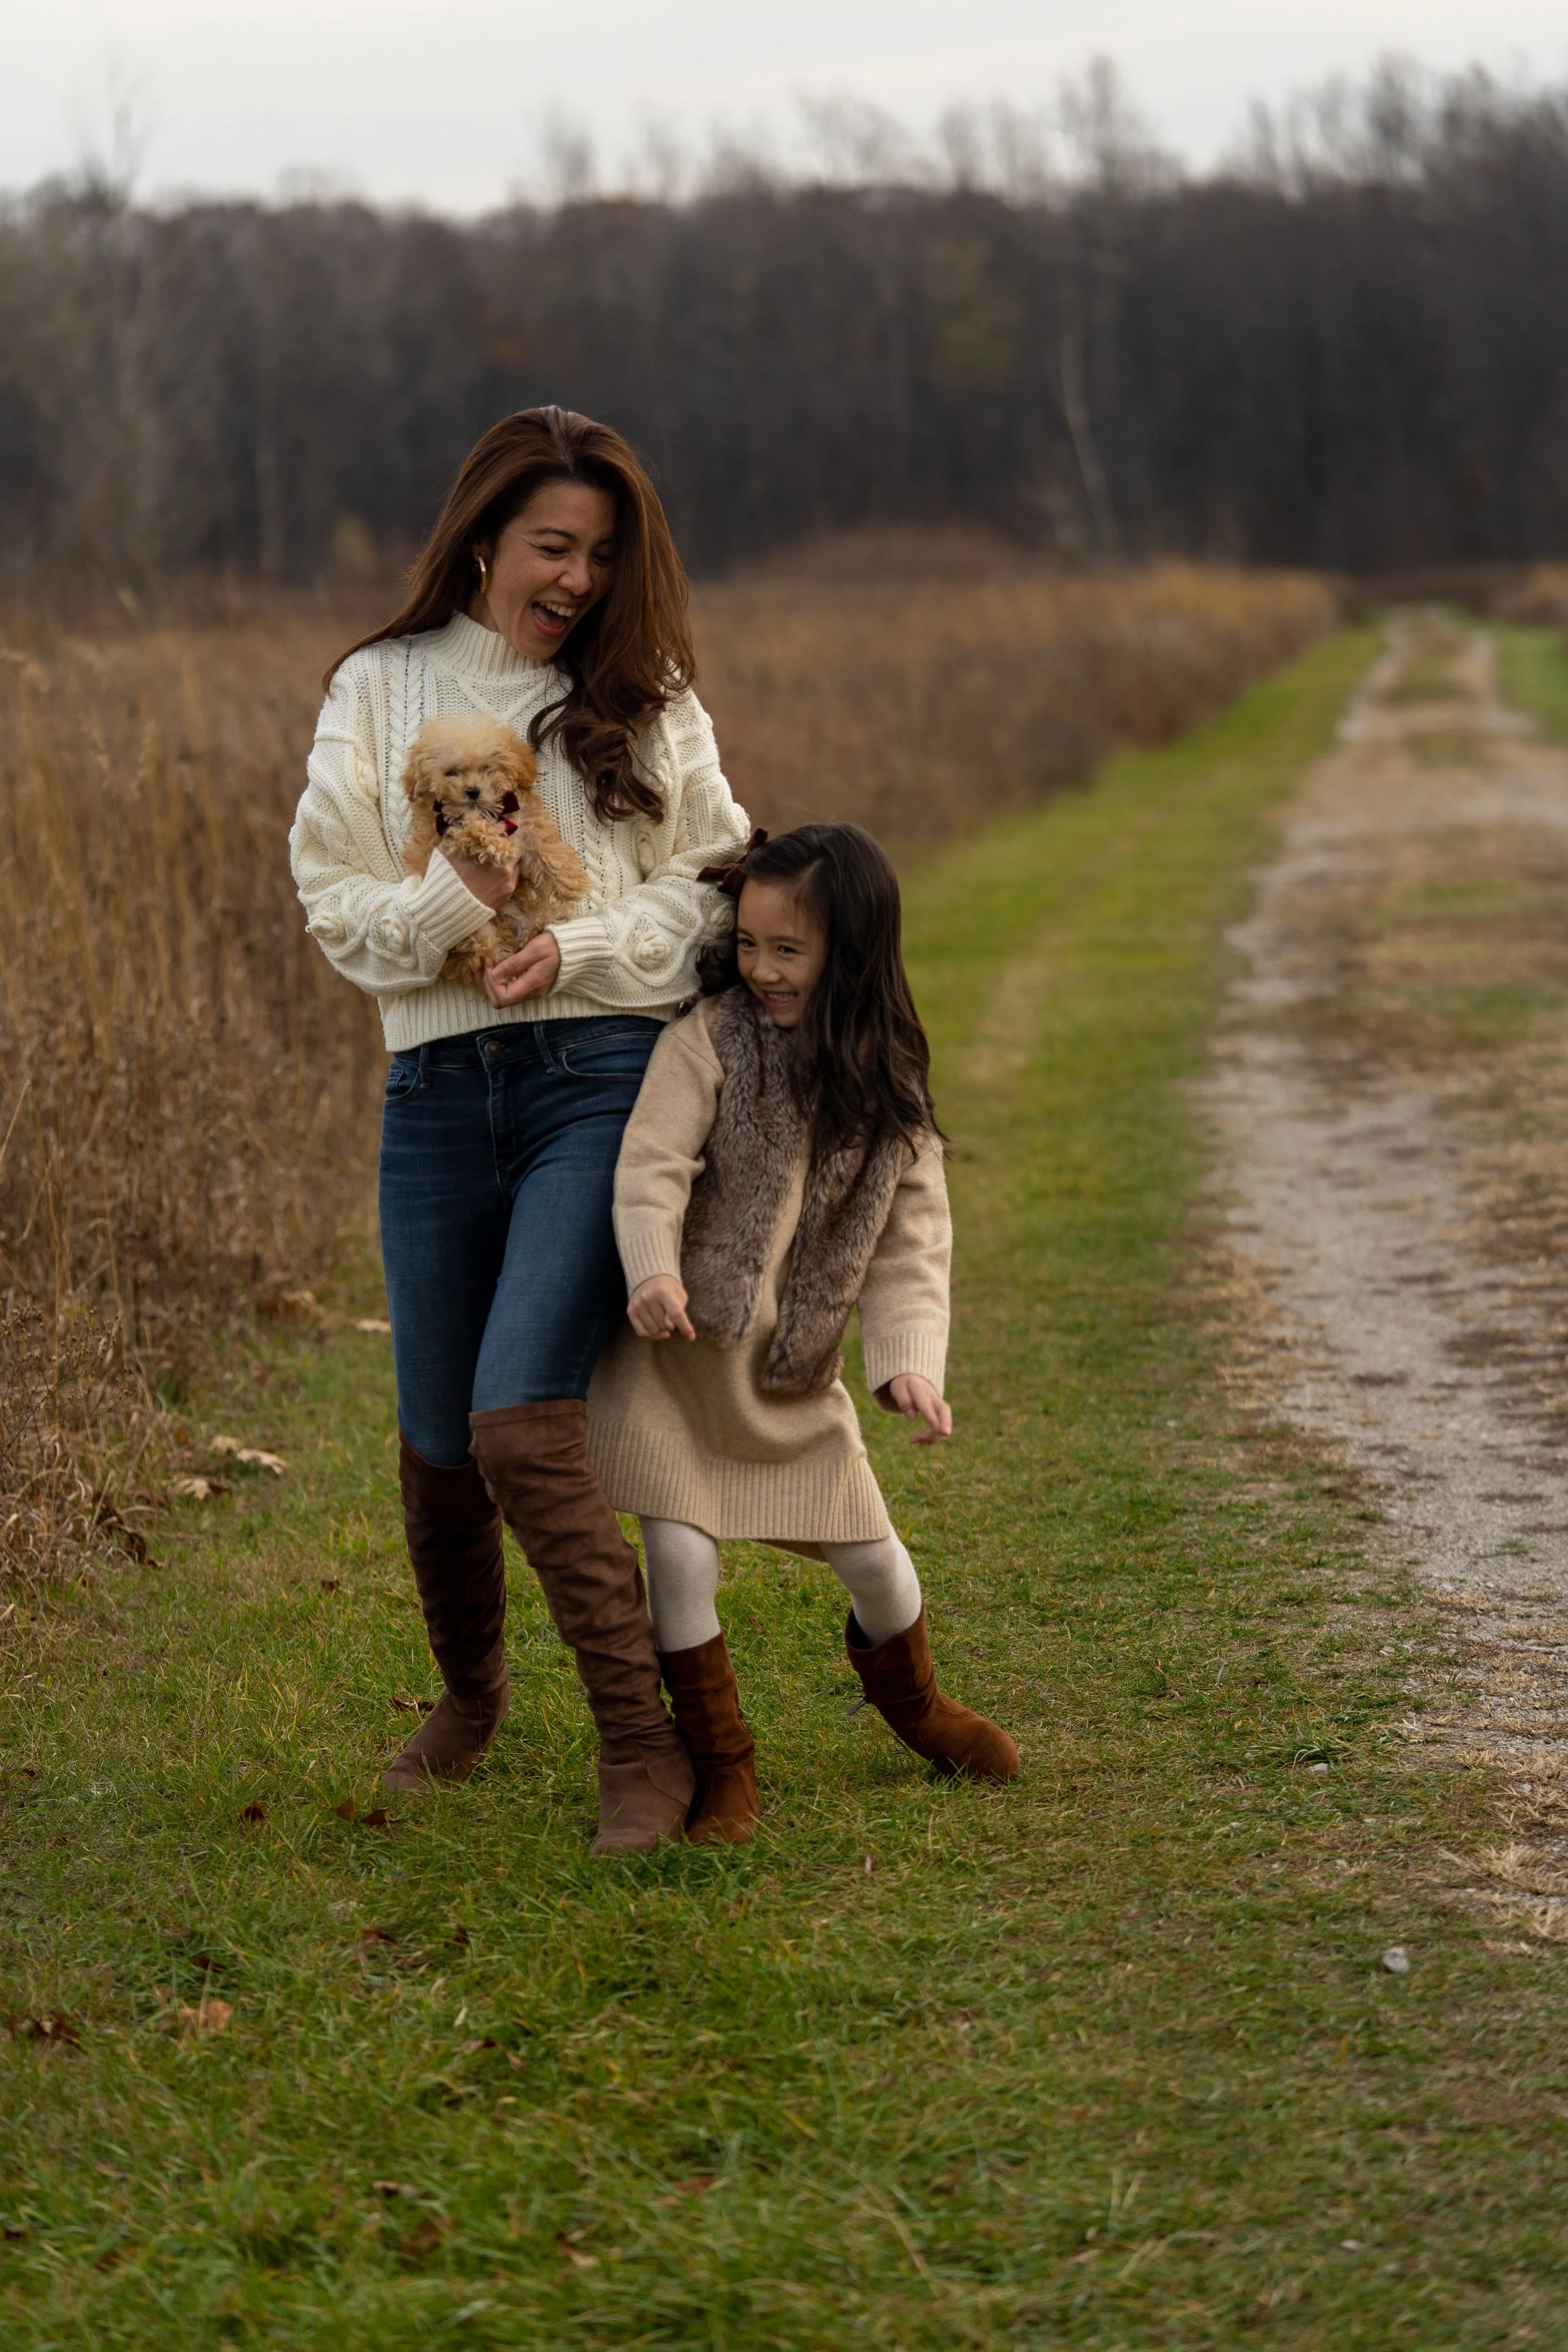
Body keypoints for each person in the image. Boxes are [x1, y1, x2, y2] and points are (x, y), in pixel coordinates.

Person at [289, 406, 750, 1851]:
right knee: (435, 1431)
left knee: (513, 1416)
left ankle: (642, 1752)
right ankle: (470, 1698)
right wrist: (457, 907)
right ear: (484, 537)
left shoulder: (649, 692)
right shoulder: (376, 687)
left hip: (600, 1082)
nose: (576, 579)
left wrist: (583, 949)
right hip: (434, 1094)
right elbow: (335, 901)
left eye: (604, 556)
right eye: (552, 546)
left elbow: (721, 881)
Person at [586, 823, 1019, 1843]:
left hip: (791, 1378)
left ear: (853, 951)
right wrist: (650, 1267)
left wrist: (909, 1363)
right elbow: (653, 1160)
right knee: (682, 1558)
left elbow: (914, 1241)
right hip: (679, 1358)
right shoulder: (711, 1040)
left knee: (880, 1565)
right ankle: (722, 1762)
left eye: (790, 949)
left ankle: (915, 1705)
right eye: (749, 944)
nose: (762, 969)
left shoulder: (890, 1087)